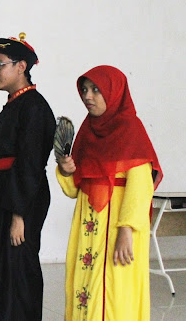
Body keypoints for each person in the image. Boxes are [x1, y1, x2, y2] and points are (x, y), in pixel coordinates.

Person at [56, 65, 162, 320]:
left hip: (119, 227)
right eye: (84, 90)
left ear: (114, 92)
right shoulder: (87, 131)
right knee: (86, 285)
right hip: (88, 224)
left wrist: (126, 229)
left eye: (96, 90)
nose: (88, 96)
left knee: (116, 290)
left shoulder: (131, 130)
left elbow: (140, 186)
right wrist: (66, 171)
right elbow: (75, 189)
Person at [0, 33, 56, 320]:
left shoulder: (35, 107)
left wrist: (19, 215)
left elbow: (29, 164)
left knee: (17, 269)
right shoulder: (15, 104)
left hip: (23, 197)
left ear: (21, 66)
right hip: (2, 192)